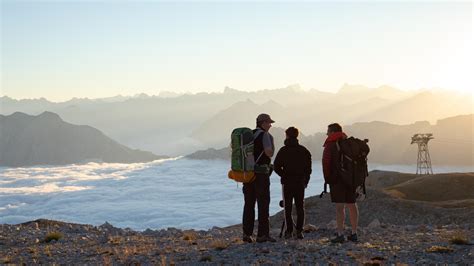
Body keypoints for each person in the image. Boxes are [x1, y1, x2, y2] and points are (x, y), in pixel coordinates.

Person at [242, 113, 276, 243]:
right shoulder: (265, 135)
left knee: (249, 204)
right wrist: (272, 149)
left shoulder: (249, 135)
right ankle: (262, 235)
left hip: (248, 174)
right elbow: (269, 152)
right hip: (261, 174)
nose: (270, 125)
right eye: (268, 122)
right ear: (262, 123)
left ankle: (246, 234)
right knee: (263, 204)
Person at [322, 123, 359, 243]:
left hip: (337, 179)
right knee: (352, 204)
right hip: (351, 179)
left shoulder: (330, 145)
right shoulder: (348, 143)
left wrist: (327, 178)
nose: (327, 134)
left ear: (332, 132)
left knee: (340, 207)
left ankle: (340, 234)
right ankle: (354, 233)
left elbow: (326, 162)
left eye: (328, 131)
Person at [273, 126, 312, 239]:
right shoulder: (304, 151)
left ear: (287, 135)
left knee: (288, 207)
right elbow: (308, 169)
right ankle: (299, 231)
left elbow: (276, 166)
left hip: (287, 183)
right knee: (300, 207)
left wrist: (284, 175)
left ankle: (289, 231)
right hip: (300, 182)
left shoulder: (283, 150)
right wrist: (306, 181)